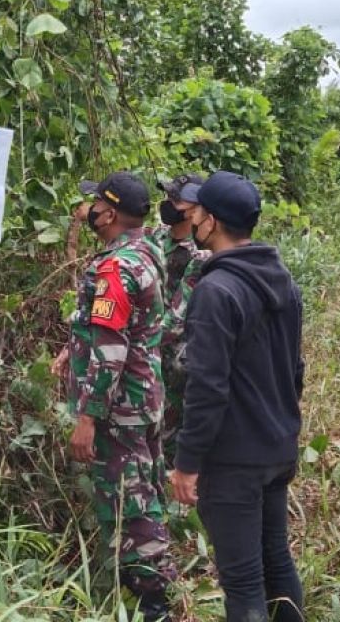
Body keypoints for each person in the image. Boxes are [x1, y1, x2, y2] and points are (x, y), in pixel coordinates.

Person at [169, 171, 305, 622]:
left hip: (234, 460)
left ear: (211, 220)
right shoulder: (282, 279)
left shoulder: (216, 290)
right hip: (278, 447)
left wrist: (188, 461)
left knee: (244, 583)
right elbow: (295, 370)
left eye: (197, 212)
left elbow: (207, 387)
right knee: (277, 560)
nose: (192, 219)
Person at [51, 172, 176, 622]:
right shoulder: (145, 251)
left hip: (119, 408)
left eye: (95, 205)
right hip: (144, 397)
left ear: (112, 213)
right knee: (145, 488)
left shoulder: (116, 268)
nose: (88, 212)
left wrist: (88, 417)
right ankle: (154, 576)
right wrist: (74, 344)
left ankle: (152, 600)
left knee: (129, 500)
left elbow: (111, 350)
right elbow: (121, 326)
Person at [147, 174, 208, 466]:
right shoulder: (157, 234)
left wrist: (136, 341)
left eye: (175, 200)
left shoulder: (201, 255)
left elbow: (178, 317)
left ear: (194, 208)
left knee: (172, 428)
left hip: (175, 357)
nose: (168, 205)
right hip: (148, 350)